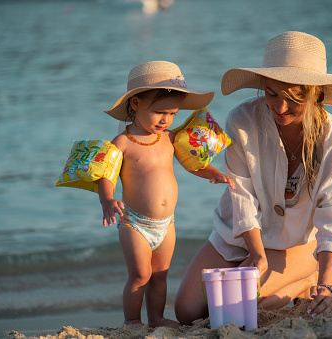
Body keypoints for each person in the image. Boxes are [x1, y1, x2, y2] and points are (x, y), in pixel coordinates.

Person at [175, 31, 332, 324]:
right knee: (187, 312)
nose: (280, 107)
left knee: (238, 310)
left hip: (298, 245)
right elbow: (241, 197)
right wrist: (256, 255)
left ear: (315, 92)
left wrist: (326, 286)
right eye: (272, 94)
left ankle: (306, 280)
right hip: (239, 235)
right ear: (263, 87)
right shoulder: (241, 121)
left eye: (295, 97)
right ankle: (284, 280)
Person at [100, 61, 235, 328]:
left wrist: (212, 173)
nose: (166, 120)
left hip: (167, 223)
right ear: (136, 103)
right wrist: (107, 199)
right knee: (140, 275)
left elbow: (191, 163)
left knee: (160, 275)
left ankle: (157, 318)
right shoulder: (122, 143)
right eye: (160, 112)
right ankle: (131, 321)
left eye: (172, 114)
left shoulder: (170, 138)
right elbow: (106, 174)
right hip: (135, 222)